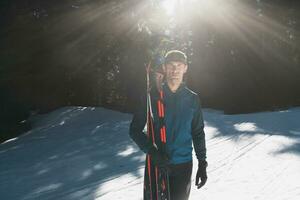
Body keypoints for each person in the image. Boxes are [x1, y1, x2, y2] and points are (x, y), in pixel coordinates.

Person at [129, 50, 207, 200]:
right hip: (157, 164)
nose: (175, 70)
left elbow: (198, 132)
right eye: (171, 65)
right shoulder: (152, 96)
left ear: (185, 68)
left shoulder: (192, 99)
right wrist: (154, 153)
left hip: (183, 166)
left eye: (179, 65)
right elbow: (134, 130)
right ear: (164, 68)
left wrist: (202, 162)